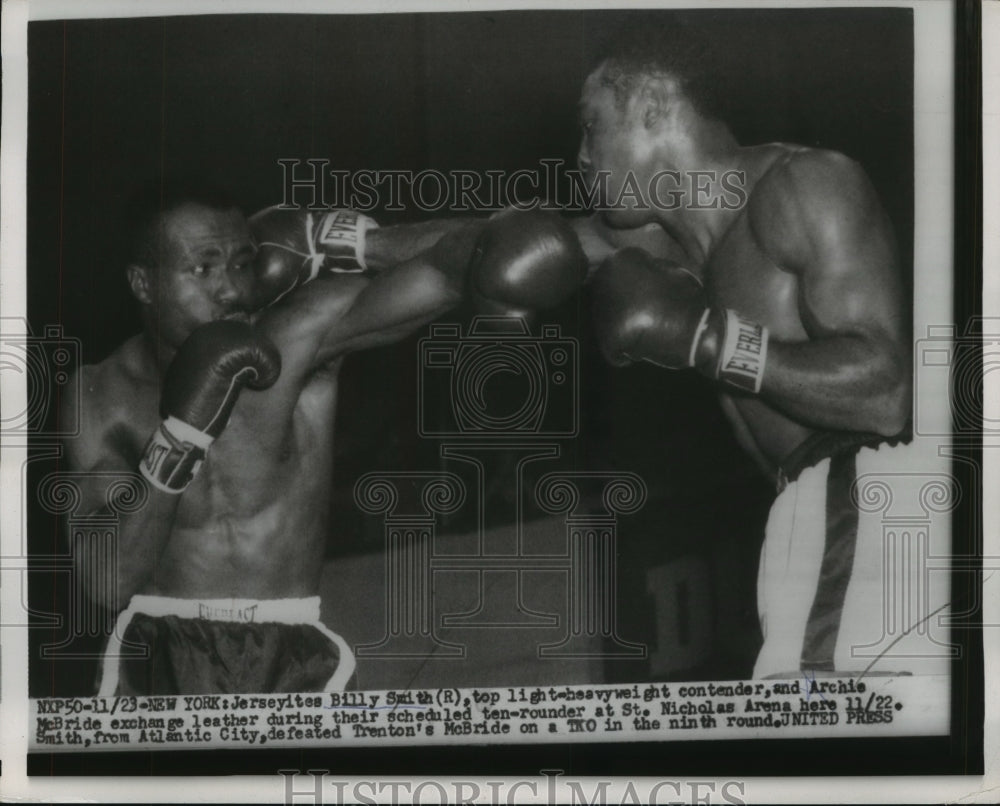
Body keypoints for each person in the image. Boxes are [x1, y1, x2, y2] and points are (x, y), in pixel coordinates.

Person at [62, 182, 586, 695]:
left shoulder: (294, 338)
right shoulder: (100, 393)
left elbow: (471, 260)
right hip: (158, 654)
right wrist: (179, 436)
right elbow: (106, 581)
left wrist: (344, 238)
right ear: (143, 283)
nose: (231, 289)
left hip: (295, 655)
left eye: (242, 263)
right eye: (203, 268)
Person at [584, 29, 942, 678]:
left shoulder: (804, 185)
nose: (580, 155)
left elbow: (888, 395)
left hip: (865, 492)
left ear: (653, 108)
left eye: (592, 127)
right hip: (822, 511)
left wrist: (710, 341)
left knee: (817, 746)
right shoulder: (666, 247)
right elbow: (489, 243)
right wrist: (354, 241)